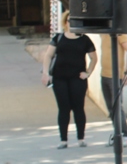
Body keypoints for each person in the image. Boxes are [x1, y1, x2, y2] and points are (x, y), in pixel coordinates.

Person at [41, 10, 96, 148]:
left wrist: (88, 73)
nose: (72, 23)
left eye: (76, 21)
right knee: (63, 108)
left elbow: (94, 58)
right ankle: (63, 140)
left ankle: (81, 139)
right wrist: (45, 73)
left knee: (78, 108)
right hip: (60, 78)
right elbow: (48, 55)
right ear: (65, 22)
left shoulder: (84, 39)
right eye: (70, 20)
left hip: (77, 78)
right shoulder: (58, 38)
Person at [99, 33, 127, 148]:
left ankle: (125, 135)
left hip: (115, 76)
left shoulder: (119, 33)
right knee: (110, 107)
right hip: (104, 74)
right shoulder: (103, 33)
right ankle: (117, 134)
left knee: (117, 106)